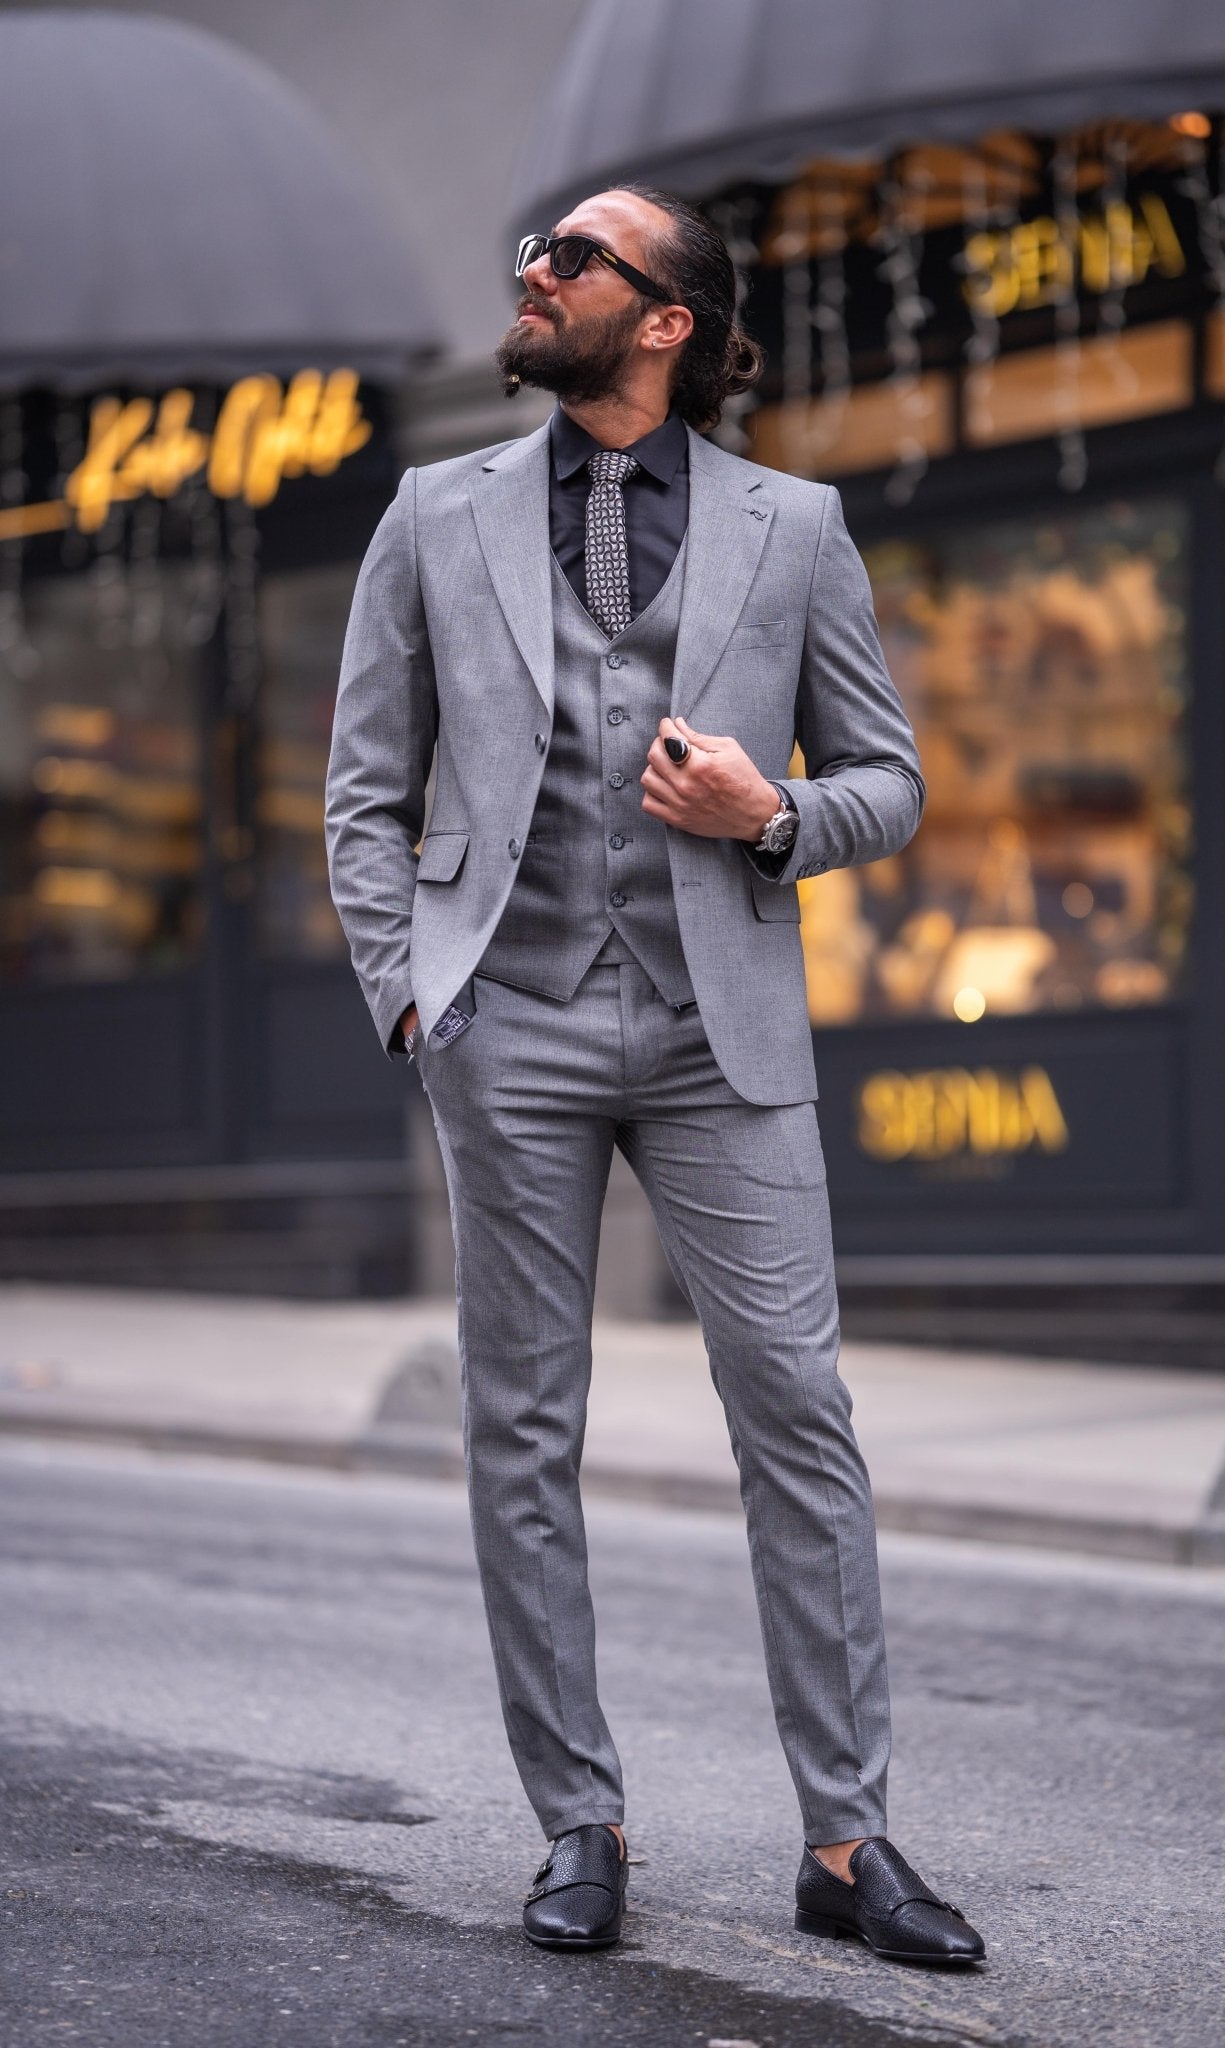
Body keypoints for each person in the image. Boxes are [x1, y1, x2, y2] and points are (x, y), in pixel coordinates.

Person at [325, 182, 985, 1968]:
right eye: (530, 252)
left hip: (720, 1032)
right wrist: (409, 995)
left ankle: (845, 1844)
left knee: (797, 1415)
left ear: (667, 319)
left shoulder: (796, 527)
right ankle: (576, 1820)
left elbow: (889, 780)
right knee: (521, 1432)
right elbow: (364, 789)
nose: (530, 274)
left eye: (574, 258)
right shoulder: (430, 510)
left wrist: (771, 814)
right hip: (505, 1026)